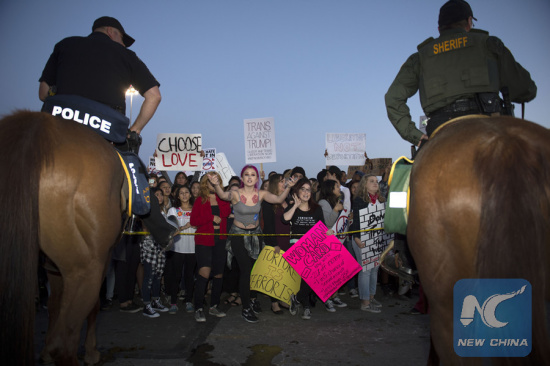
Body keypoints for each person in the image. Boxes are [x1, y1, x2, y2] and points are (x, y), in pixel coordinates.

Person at [38, 16, 177, 249]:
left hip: (58, 125)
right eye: (123, 40)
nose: (123, 45)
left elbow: (43, 93)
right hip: (104, 128)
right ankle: (163, 231)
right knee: (135, 170)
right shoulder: (125, 55)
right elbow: (154, 95)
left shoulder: (64, 45)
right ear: (112, 31)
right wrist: (135, 129)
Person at [385, 0, 537, 146]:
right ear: (469, 22)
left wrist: (417, 136)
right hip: (490, 122)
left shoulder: (420, 57)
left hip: (440, 130)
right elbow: (525, 89)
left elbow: (393, 98)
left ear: (439, 28)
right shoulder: (489, 44)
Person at [208, 165, 296, 323]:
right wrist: (215, 184)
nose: (249, 177)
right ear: (242, 178)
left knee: (250, 271)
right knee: (246, 269)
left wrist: (288, 187)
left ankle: (250, 301)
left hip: (255, 236)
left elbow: (278, 199)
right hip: (238, 235)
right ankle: (246, 308)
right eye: (246, 174)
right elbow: (221, 194)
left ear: (257, 179)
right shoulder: (235, 193)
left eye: (253, 175)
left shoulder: (261, 193)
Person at [283, 178, 334, 320]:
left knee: (310, 278)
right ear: (297, 191)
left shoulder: (317, 208)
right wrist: (295, 206)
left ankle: (299, 300)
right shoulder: (292, 206)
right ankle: (304, 305)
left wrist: (328, 232)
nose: (306, 192)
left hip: (314, 246)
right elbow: (285, 219)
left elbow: (322, 227)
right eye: (303, 189)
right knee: (308, 277)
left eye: (308, 190)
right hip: (297, 248)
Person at [190, 173, 231, 322]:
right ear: (205, 184)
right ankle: (199, 308)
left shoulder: (223, 199)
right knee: (204, 273)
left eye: (217, 181)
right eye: (211, 181)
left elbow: (226, 213)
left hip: (220, 240)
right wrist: (211, 218)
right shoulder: (200, 200)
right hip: (204, 241)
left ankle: (214, 306)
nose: (214, 183)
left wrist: (221, 197)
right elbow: (194, 221)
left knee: (218, 274)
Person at [350, 174, 385, 313]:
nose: (375, 183)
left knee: (375, 268)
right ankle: (364, 302)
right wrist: (357, 238)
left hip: (376, 240)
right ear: (365, 184)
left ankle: (371, 296)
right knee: (365, 270)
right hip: (362, 240)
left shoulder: (381, 200)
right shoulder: (359, 200)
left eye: (376, 181)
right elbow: (355, 221)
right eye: (371, 181)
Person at [260, 173, 291, 314]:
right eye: (281, 181)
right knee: (274, 273)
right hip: (276, 241)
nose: (283, 183)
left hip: (288, 240)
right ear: (274, 184)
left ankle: (282, 298)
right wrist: (273, 244)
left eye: (284, 181)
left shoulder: (288, 199)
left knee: (284, 272)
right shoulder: (268, 201)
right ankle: (274, 303)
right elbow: (268, 226)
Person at [317, 180, 348, 312]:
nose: (339, 189)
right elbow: (327, 223)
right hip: (326, 242)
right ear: (330, 189)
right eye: (336, 187)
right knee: (327, 273)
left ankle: (334, 296)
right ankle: (327, 299)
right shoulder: (323, 203)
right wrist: (336, 210)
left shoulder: (337, 201)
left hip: (336, 241)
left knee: (335, 272)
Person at [165, 185, 196, 314]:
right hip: (177, 248)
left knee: (189, 276)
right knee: (176, 275)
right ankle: (173, 302)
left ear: (190, 195)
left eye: (186, 192)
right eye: (181, 193)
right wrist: (183, 227)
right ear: (177, 196)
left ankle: (189, 301)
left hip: (193, 248)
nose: (184, 195)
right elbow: (171, 230)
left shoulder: (196, 209)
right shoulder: (173, 210)